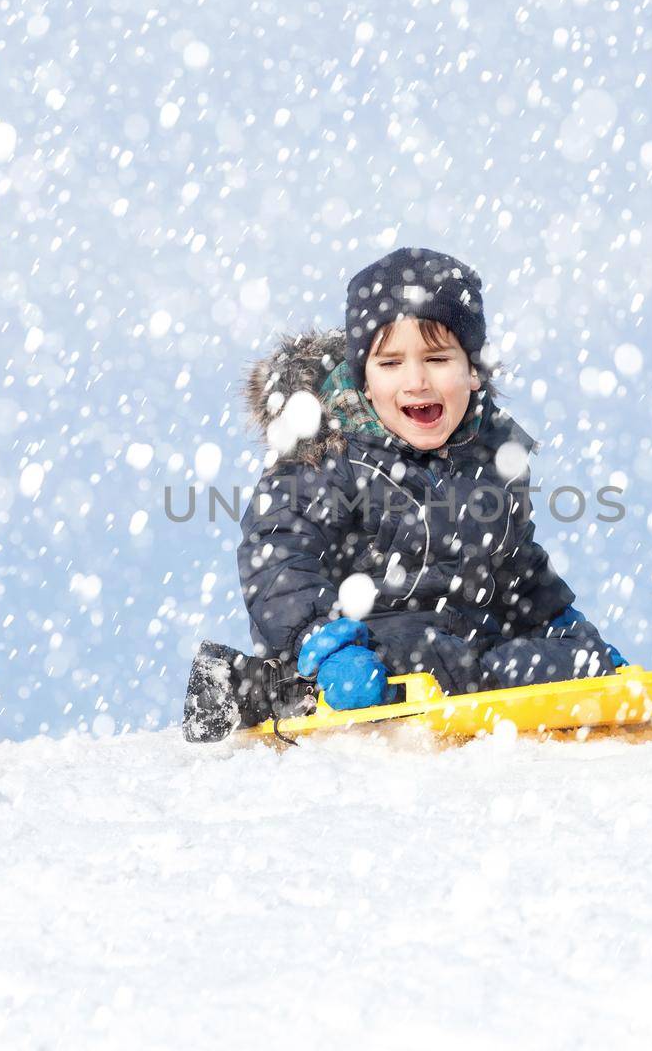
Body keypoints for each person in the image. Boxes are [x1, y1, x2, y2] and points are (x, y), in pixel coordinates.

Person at [182, 246, 625, 741]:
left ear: (473, 371)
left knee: (549, 658)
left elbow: (515, 565)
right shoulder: (329, 460)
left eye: (437, 359)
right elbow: (278, 558)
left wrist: (563, 624)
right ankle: (272, 687)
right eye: (390, 363)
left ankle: (522, 676)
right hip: (361, 648)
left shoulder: (494, 460)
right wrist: (324, 641)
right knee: (427, 654)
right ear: (364, 381)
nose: (416, 381)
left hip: (466, 646)